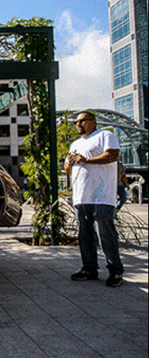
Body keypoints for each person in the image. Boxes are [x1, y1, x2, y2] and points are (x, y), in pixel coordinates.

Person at [64, 111, 124, 287]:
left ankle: (115, 270)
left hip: (102, 194)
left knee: (105, 232)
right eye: (76, 122)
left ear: (93, 122)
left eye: (83, 121)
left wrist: (86, 160)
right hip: (82, 195)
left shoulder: (105, 135)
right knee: (85, 233)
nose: (78, 124)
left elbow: (113, 155)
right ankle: (89, 269)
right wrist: (68, 164)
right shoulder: (75, 143)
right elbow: (68, 169)